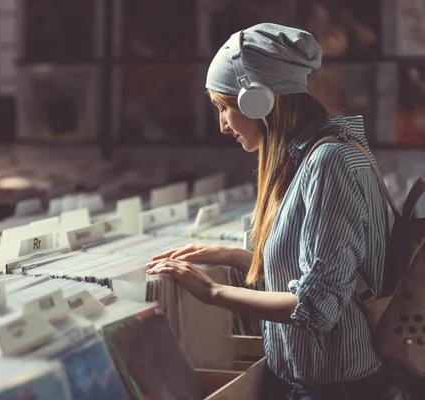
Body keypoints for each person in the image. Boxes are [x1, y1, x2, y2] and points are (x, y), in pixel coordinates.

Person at [147, 23, 406, 400]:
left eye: (225, 107)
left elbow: (315, 307)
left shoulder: (329, 161)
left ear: (259, 102)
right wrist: (237, 257)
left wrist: (212, 291)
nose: (222, 125)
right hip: (312, 383)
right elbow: (325, 269)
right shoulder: (311, 156)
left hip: (340, 389)